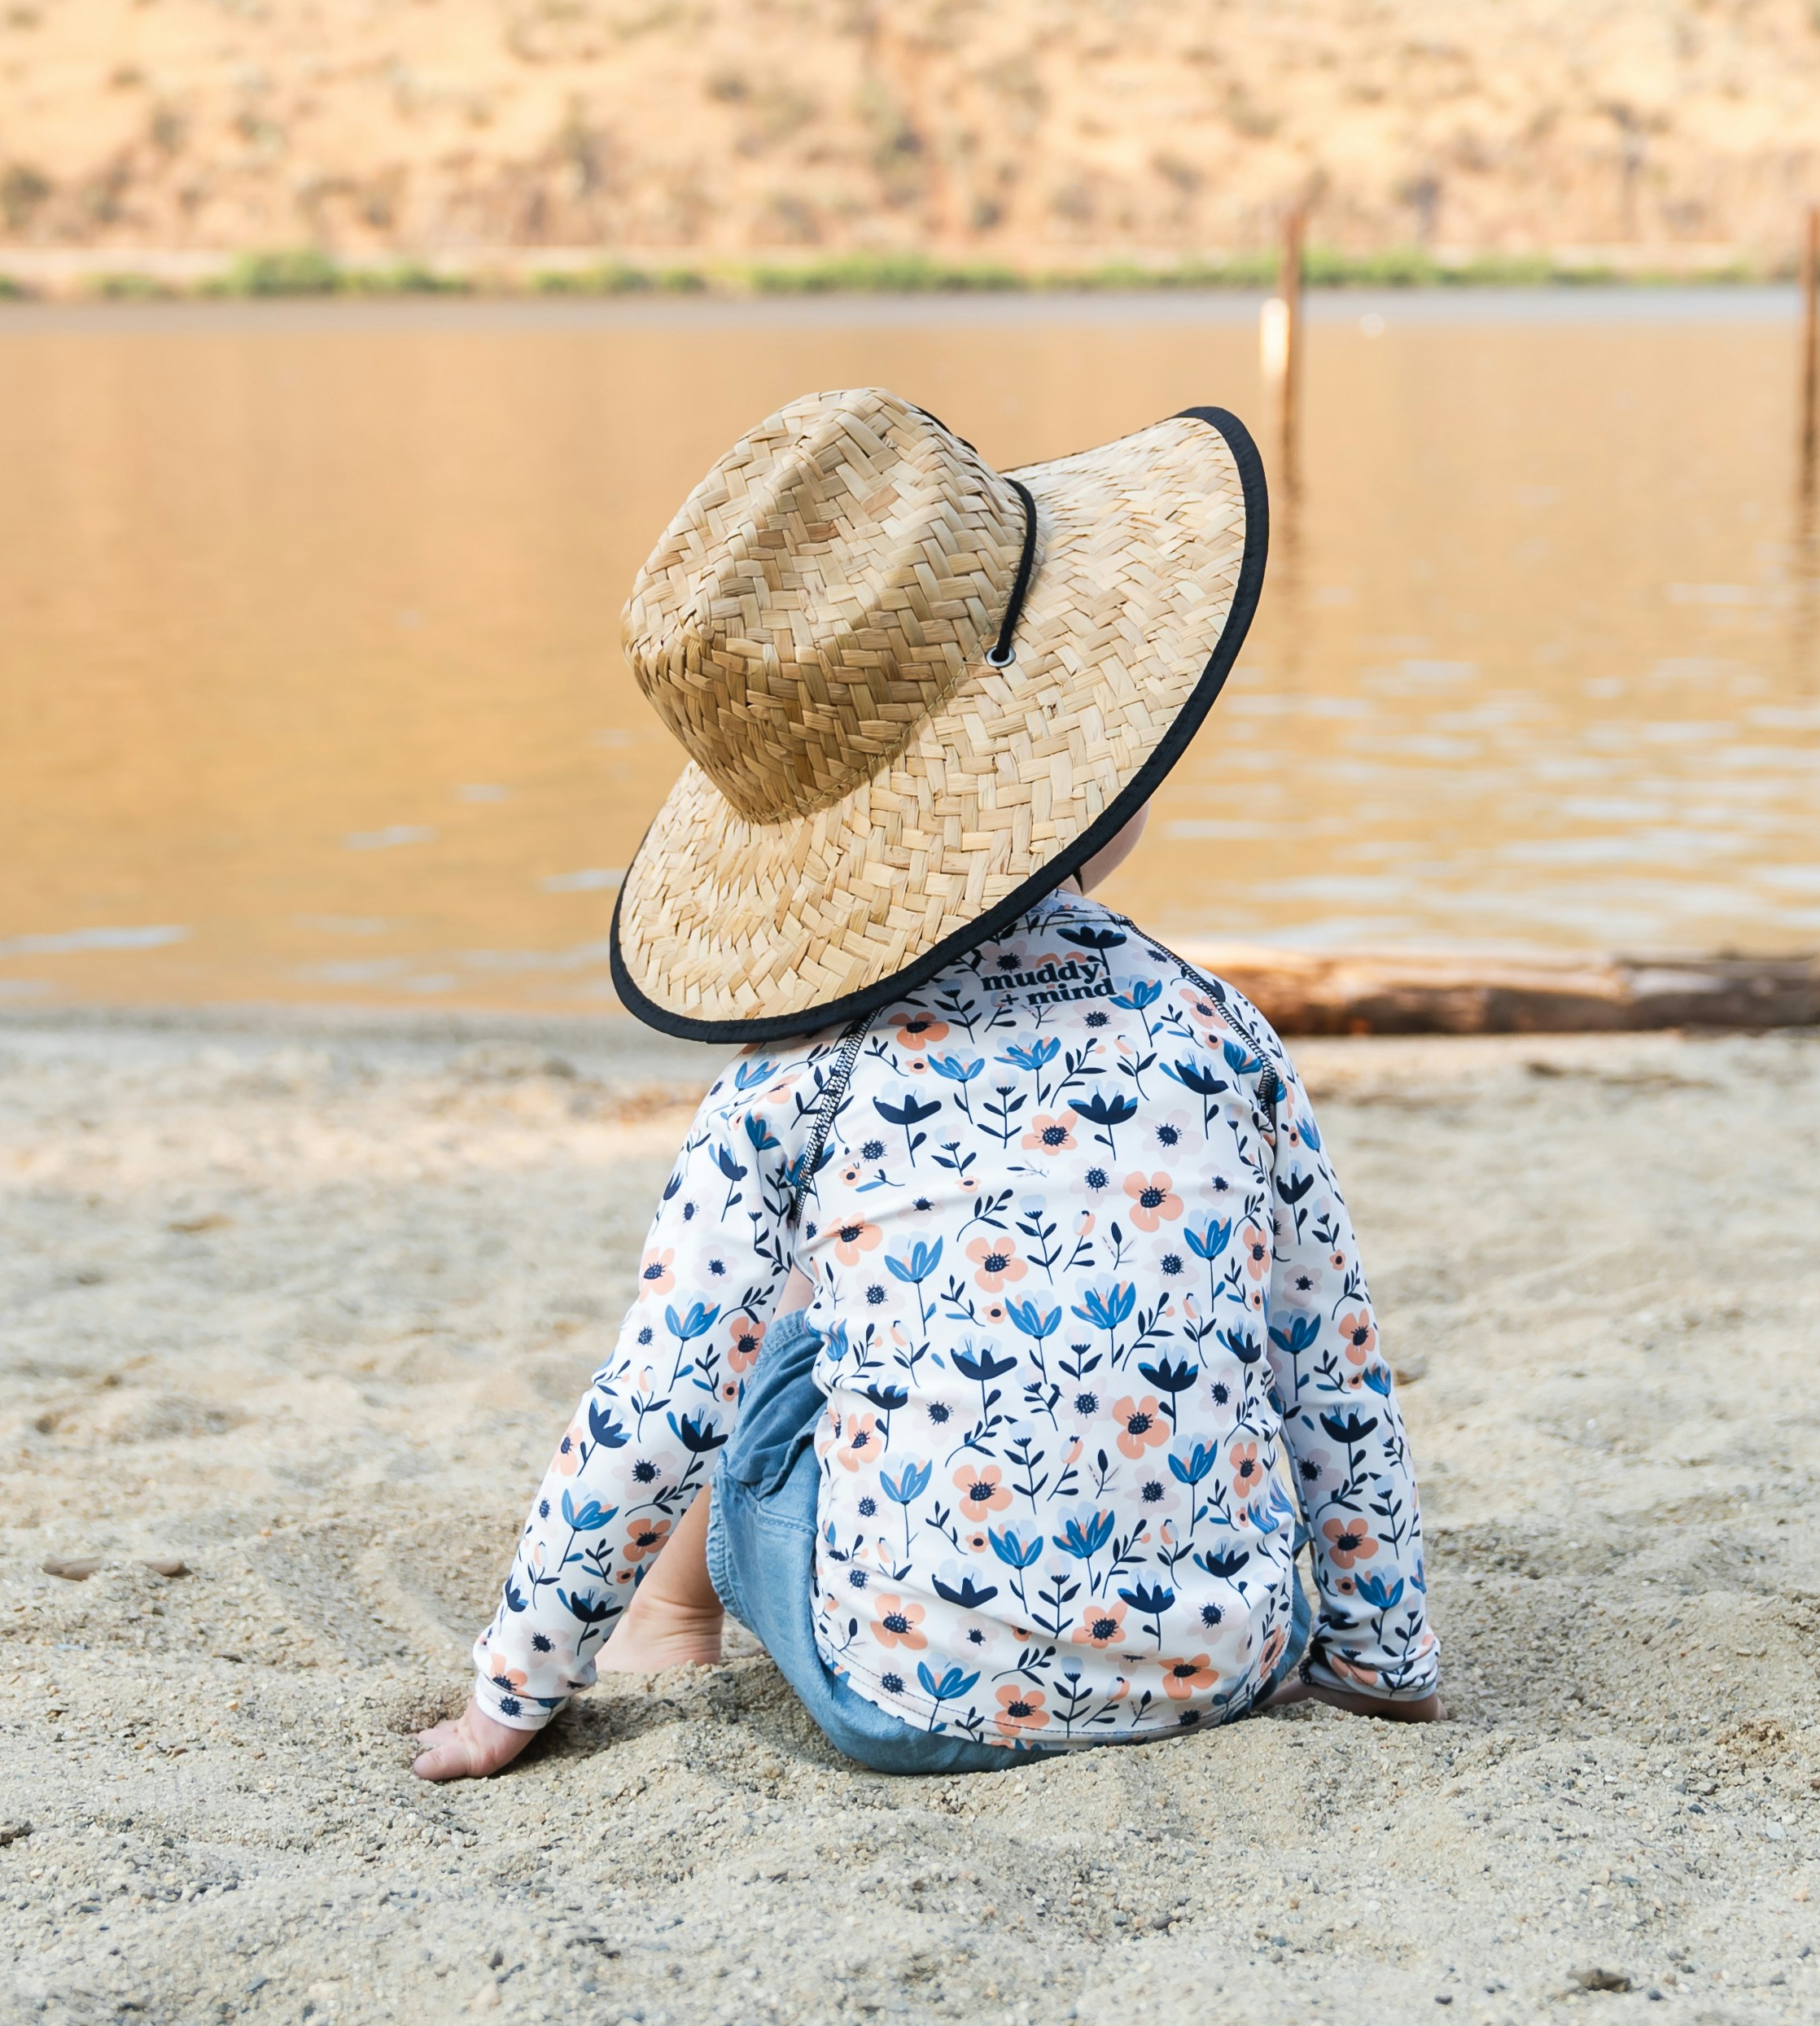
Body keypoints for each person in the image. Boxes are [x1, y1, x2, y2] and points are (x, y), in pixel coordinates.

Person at [413, 383, 1437, 1786]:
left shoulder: (801, 1071)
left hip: (906, 1701)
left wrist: (510, 1695)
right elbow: (1330, 1360)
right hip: (1234, 1666)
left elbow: (654, 1397)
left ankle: (670, 1615)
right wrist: (1384, 1661)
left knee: (768, 1329)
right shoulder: (1218, 1023)